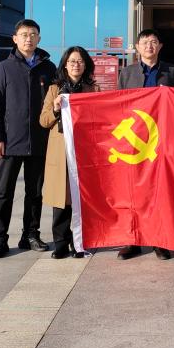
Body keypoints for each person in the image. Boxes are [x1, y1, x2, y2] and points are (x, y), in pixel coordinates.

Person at [0, 19, 57, 258]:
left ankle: (30, 234)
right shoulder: (4, 68)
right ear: (15, 39)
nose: (29, 38)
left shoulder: (49, 68)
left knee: (35, 192)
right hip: (10, 141)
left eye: (33, 34)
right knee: (3, 192)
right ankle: (0, 239)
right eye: (24, 34)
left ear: (39, 38)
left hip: (40, 141)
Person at [116, 28, 174, 260]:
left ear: (160, 46)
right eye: (144, 42)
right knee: (133, 191)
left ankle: (159, 240)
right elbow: (118, 105)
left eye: (154, 42)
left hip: (162, 140)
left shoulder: (172, 71)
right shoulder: (127, 73)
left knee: (159, 191)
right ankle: (133, 240)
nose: (149, 46)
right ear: (137, 47)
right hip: (134, 142)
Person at [40, 45, 97, 259]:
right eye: (72, 61)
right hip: (61, 150)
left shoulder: (93, 89)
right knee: (61, 199)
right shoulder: (54, 89)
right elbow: (43, 120)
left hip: (84, 151)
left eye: (80, 61)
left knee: (82, 198)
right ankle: (61, 243)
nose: (76, 65)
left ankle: (80, 242)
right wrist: (56, 108)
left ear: (86, 65)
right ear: (65, 65)